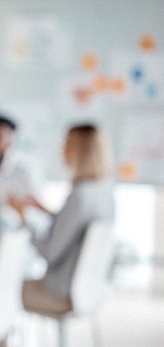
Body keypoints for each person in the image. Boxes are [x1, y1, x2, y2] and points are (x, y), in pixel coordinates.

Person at [8, 123, 114, 315]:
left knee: (0, 290)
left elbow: (49, 253)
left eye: (66, 144)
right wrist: (46, 211)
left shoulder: (78, 196)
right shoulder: (104, 193)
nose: (61, 150)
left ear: (79, 151)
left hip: (60, 292)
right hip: (89, 289)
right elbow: (76, 227)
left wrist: (23, 219)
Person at [0, 113, 42, 233]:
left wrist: (17, 210)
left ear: (10, 140)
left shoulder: (22, 173)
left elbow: (32, 213)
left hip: (10, 235)